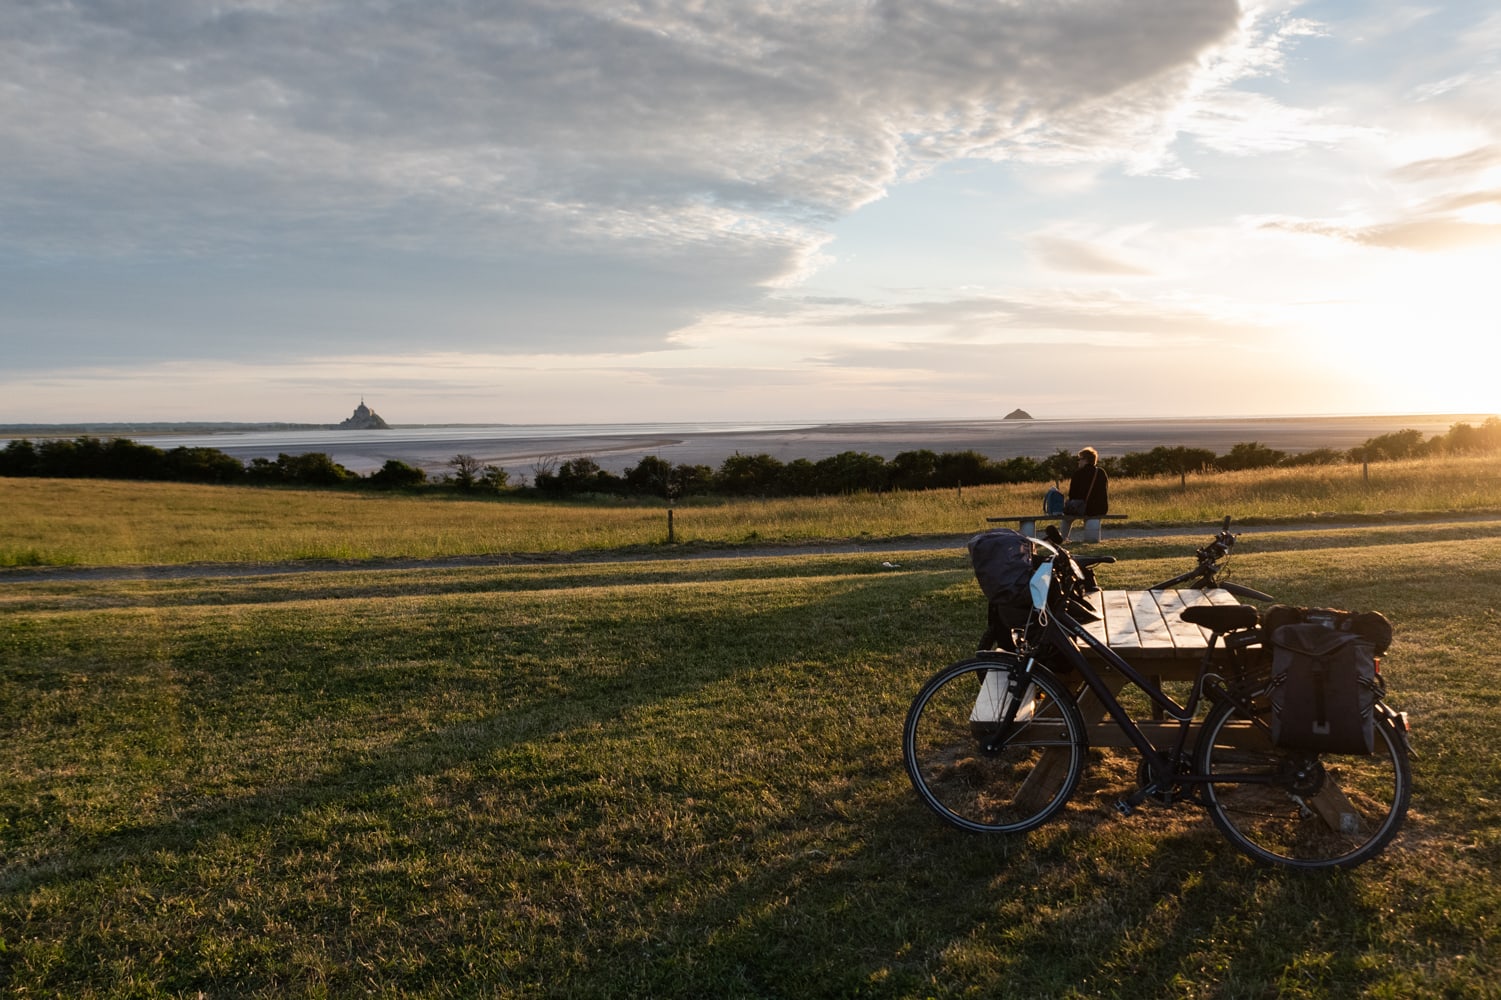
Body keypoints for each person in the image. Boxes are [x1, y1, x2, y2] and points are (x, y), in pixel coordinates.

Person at [1061, 447, 1109, 541]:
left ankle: (1063, 539)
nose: (1078, 462)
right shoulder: (1101, 472)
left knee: (1066, 519)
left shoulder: (1078, 474)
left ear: (1086, 460)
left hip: (1084, 508)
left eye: (1079, 459)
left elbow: (1072, 495)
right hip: (1101, 508)